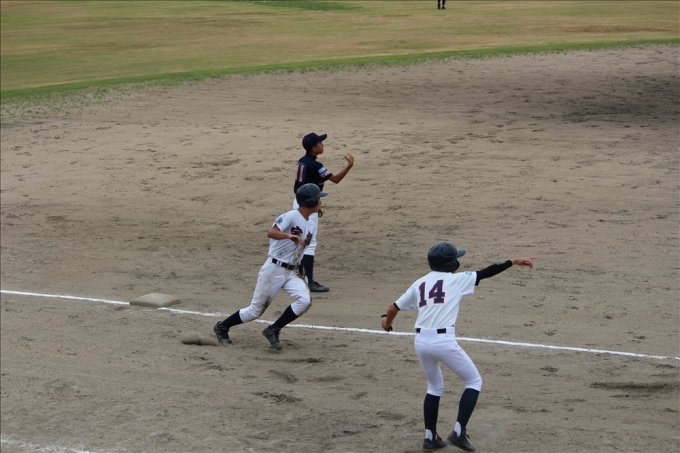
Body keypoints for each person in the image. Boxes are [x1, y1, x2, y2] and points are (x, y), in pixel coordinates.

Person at [381, 242, 536, 452]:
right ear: (452, 263)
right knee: (474, 381)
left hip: (421, 342)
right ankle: (458, 433)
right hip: (443, 342)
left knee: (434, 387)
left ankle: (430, 438)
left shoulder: (419, 283)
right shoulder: (457, 280)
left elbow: (393, 308)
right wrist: (513, 261)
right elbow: (487, 272)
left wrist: (386, 323)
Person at [213, 183, 328, 350]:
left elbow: (302, 251)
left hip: (292, 271)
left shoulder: (310, 224)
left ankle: (273, 329)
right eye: (318, 199)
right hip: (274, 269)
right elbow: (271, 232)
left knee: (304, 300)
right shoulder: (291, 216)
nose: (321, 201)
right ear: (310, 201)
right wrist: (288, 236)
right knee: (255, 311)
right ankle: (222, 327)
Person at [293, 132, 354, 292]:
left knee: (301, 239)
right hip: (308, 204)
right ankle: (309, 281)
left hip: (299, 202)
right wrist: (349, 165)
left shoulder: (302, 161)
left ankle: (298, 275)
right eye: (320, 143)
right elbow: (336, 179)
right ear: (314, 148)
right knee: (310, 242)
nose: (323, 145)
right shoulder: (316, 165)